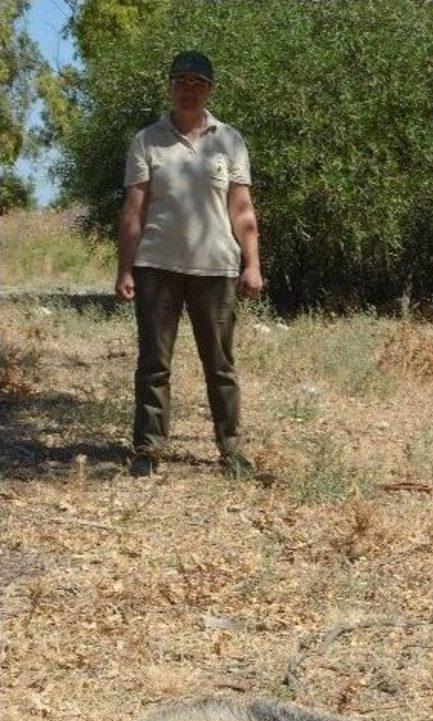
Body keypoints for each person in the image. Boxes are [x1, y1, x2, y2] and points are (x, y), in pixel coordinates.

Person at [115, 50, 263, 478]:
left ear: (209, 89)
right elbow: (133, 211)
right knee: (154, 364)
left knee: (220, 365)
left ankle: (231, 450)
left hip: (216, 268)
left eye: (198, 81)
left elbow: (242, 209)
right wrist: (125, 269)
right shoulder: (146, 141)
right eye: (181, 79)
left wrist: (251, 264)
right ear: (170, 85)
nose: (189, 88)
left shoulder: (229, 140)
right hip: (156, 266)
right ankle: (148, 448)